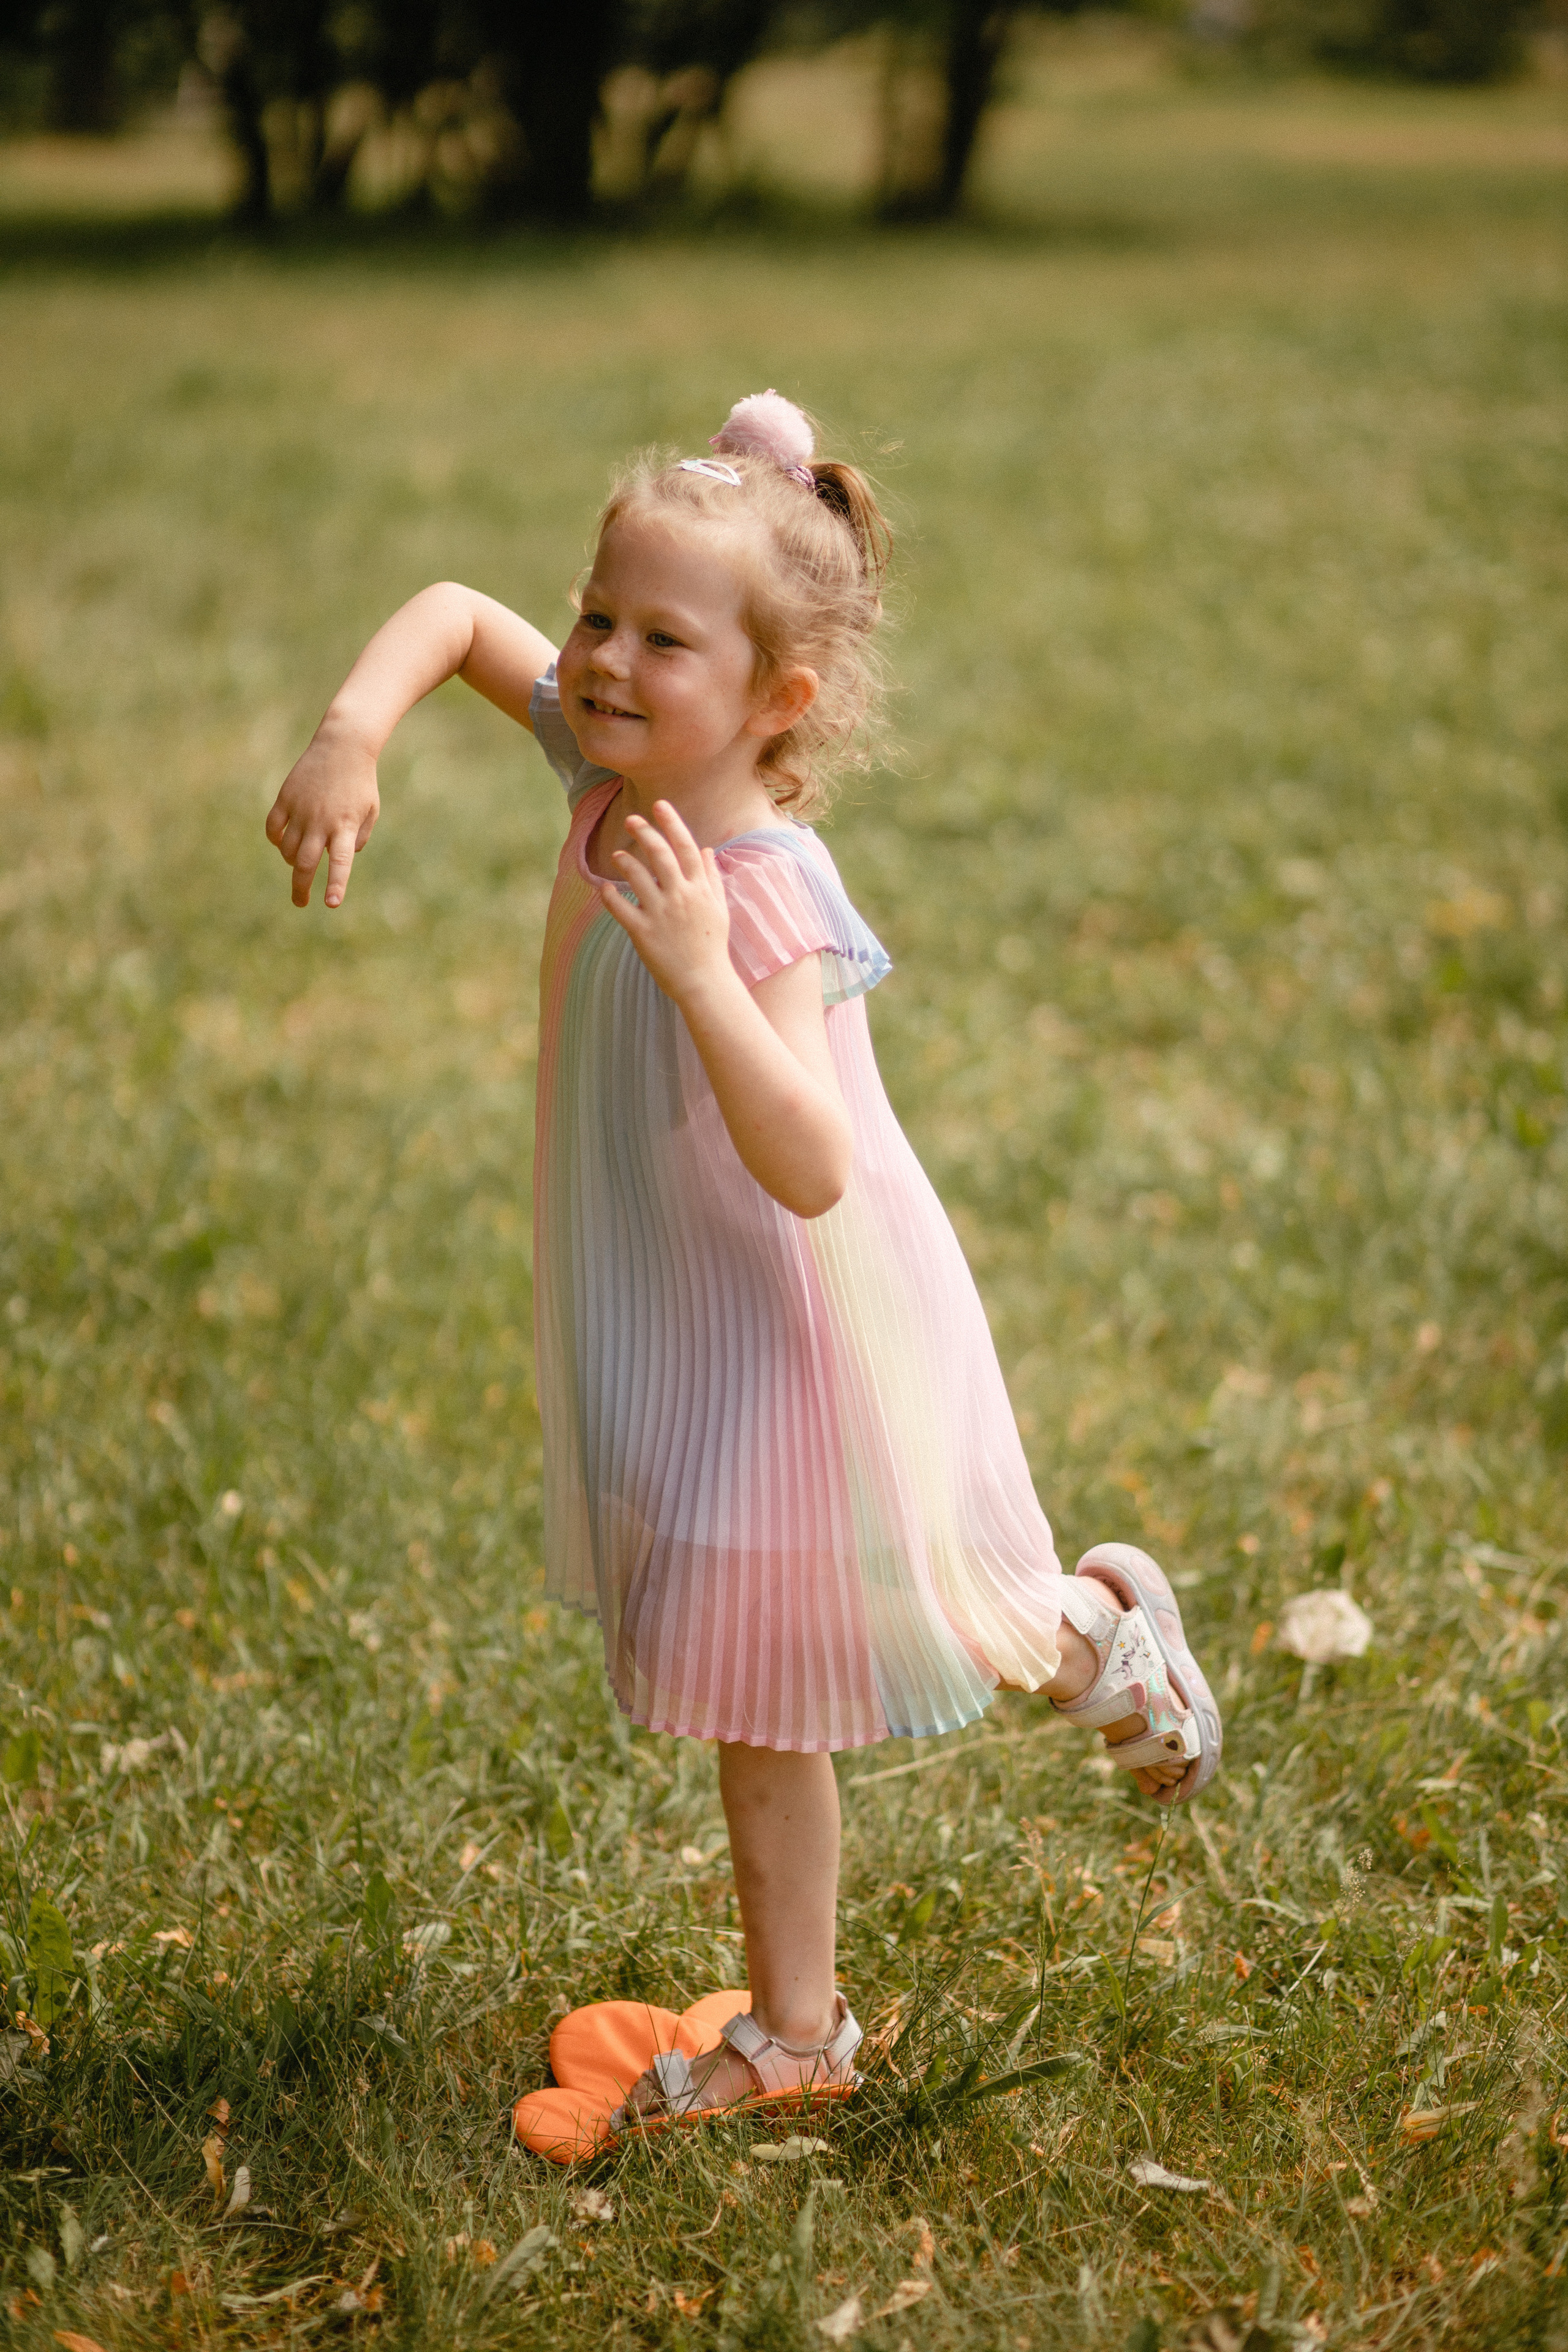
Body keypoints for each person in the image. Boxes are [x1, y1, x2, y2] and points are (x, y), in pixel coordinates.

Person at [265, 391, 1221, 2128]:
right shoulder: (609, 757)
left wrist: (704, 968)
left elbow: (810, 1165)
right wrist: (353, 734)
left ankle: (1094, 1643)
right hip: (703, 1321)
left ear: (776, 701)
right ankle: (806, 2024)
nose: (600, 662)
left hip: (805, 1325)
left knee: (874, 1618)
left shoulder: (767, 881)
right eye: (600, 616)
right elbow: (452, 617)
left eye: (659, 640)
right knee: (774, 1680)